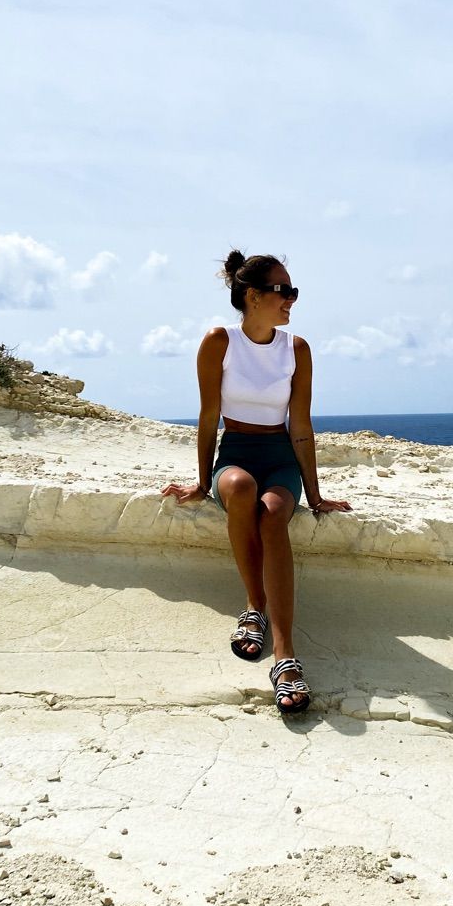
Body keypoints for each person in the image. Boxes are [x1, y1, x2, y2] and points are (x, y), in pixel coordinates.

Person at [161, 250, 352, 716]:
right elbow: (208, 416)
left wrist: (315, 494)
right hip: (236, 455)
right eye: (283, 290)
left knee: (273, 514)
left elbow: (300, 425)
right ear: (252, 296)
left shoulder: (297, 349)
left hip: (280, 459)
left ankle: (285, 654)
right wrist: (201, 482)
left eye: (293, 291)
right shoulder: (219, 341)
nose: (291, 299)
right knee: (242, 490)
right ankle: (254, 607)